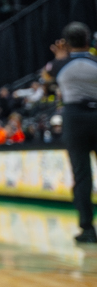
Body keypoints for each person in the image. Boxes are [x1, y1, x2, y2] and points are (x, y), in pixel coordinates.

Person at [44, 22, 97, 244]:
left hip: (75, 119)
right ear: (88, 39)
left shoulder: (59, 65)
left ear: (65, 42)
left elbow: (46, 79)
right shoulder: (95, 60)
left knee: (82, 175)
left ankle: (87, 229)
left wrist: (60, 57)